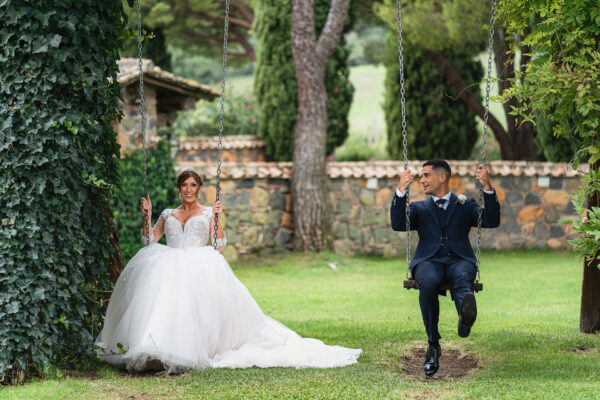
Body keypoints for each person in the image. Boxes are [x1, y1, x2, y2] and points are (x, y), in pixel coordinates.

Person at [95, 169, 361, 373]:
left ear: (199, 189)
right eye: (184, 185)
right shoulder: (167, 213)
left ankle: (187, 350)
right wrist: (147, 215)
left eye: (193, 185)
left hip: (197, 262)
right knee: (164, 304)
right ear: (179, 189)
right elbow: (149, 241)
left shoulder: (208, 212)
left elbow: (219, 244)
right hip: (168, 262)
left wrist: (217, 218)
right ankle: (154, 348)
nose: (189, 190)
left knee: (191, 307)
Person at [390, 160, 500, 376]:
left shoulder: (465, 204)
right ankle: (433, 344)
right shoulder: (419, 208)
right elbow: (398, 224)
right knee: (428, 281)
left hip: (460, 260)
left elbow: (491, 220)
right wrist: (401, 190)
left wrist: (487, 187)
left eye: (426, 175)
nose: (422, 180)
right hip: (428, 261)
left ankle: (465, 318)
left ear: (442, 177)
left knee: (462, 279)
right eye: (421, 176)